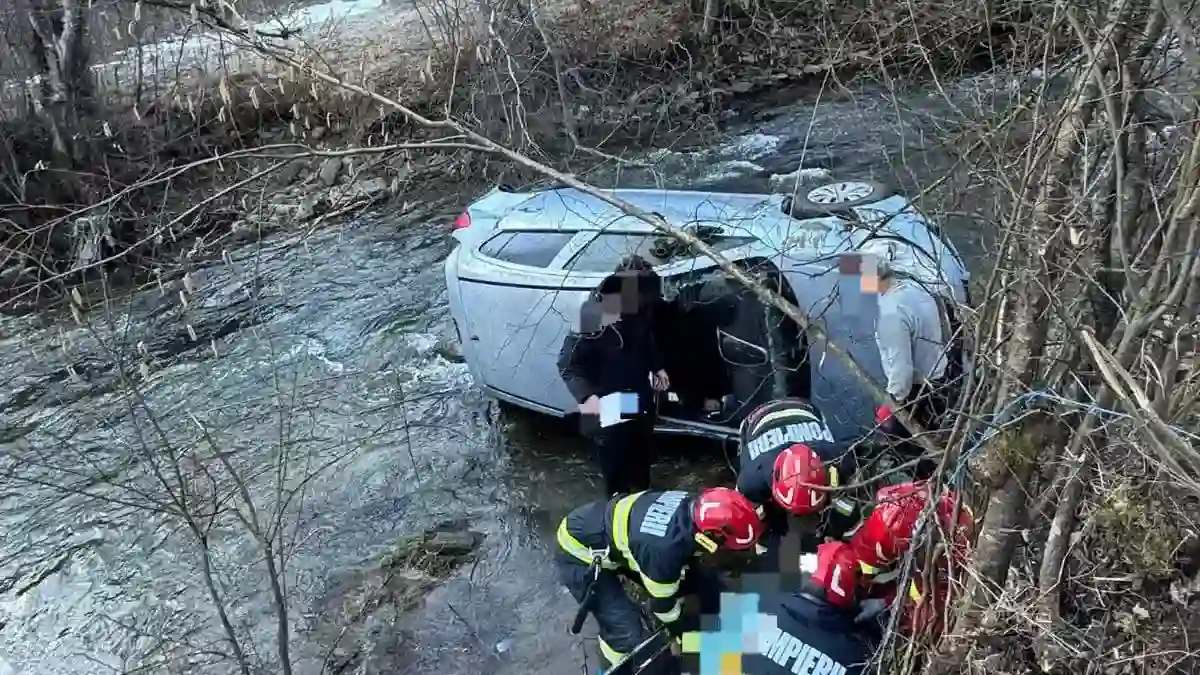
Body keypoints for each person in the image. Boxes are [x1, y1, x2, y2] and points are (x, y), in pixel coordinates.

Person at [556, 487, 763, 673]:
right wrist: (678, 634)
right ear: (710, 535)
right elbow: (662, 606)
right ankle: (617, 666)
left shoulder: (694, 506)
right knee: (626, 631)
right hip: (579, 554)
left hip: (614, 533)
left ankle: (722, 619)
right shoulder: (664, 551)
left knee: (704, 582)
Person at [558, 264, 671, 497]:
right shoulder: (588, 323)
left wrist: (658, 367)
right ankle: (616, 499)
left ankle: (643, 491)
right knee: (614, 452)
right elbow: (568, 366)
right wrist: (586, 396)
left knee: (641, 445)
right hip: (608, 398)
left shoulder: (636, 313)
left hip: (638, 393)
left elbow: (646, 340)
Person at [867, 249, 965, 465]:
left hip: (917, 398)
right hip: (942, 382)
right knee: (939, 447)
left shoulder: (891, 314)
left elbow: (901, 374)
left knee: (912, 458)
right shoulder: (918, 291)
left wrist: (891, 405)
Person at [734, 399, 862, 555]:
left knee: (845, 499)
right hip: (757, 419)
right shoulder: (751, 481)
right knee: (760, 520)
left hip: (805, 410)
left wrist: (837, 532)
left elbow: (850, 503)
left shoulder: (841, 461)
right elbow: (744, 516)